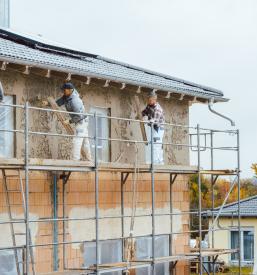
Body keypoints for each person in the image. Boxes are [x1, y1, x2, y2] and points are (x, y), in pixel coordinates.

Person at [56, 82, 92, 161]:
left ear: (70, 90)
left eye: (64, 90)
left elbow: (79, 115)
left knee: (77, 140)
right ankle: (89, 159)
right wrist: (49, 103)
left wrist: (69, 121)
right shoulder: (67, 96)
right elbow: (59, 102)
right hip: (81, 121)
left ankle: (76, 160)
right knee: (85, 141)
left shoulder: (75, 101)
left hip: (81, 121)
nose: (63, 91)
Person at [142, 90, 165, 164]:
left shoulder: (158, 109)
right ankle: (151, 161)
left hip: (158, 129)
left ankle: (158, 162)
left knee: (156, 145)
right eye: (148, 99)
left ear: (154, 99)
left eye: (150, 100)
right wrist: (142, 115)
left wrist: (147, 121)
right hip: (152, 128)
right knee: (150, 144)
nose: (148, 101)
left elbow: (155, 120)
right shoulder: (149, 106)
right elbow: (144, 112)